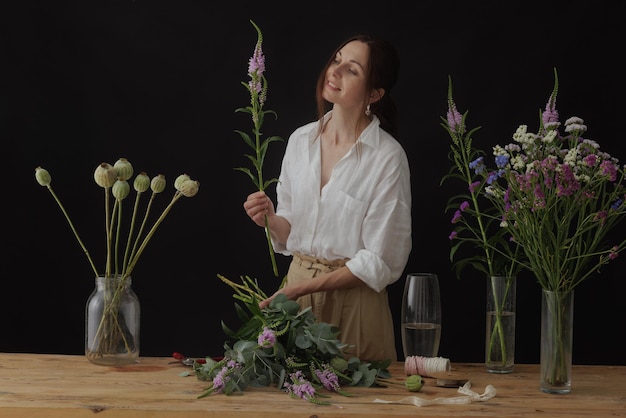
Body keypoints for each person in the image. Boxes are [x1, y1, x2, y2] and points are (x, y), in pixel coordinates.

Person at [243, 34, 412, 362]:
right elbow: (292, 231)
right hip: (296, 302)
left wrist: (302, 289)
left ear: (374, 94)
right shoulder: (300, 141)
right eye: (336, 60)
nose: (335, 72)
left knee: (360, 407)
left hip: (355, 304)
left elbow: (380, 260)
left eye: (352, 70)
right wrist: (271, 219)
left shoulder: (387, 158)